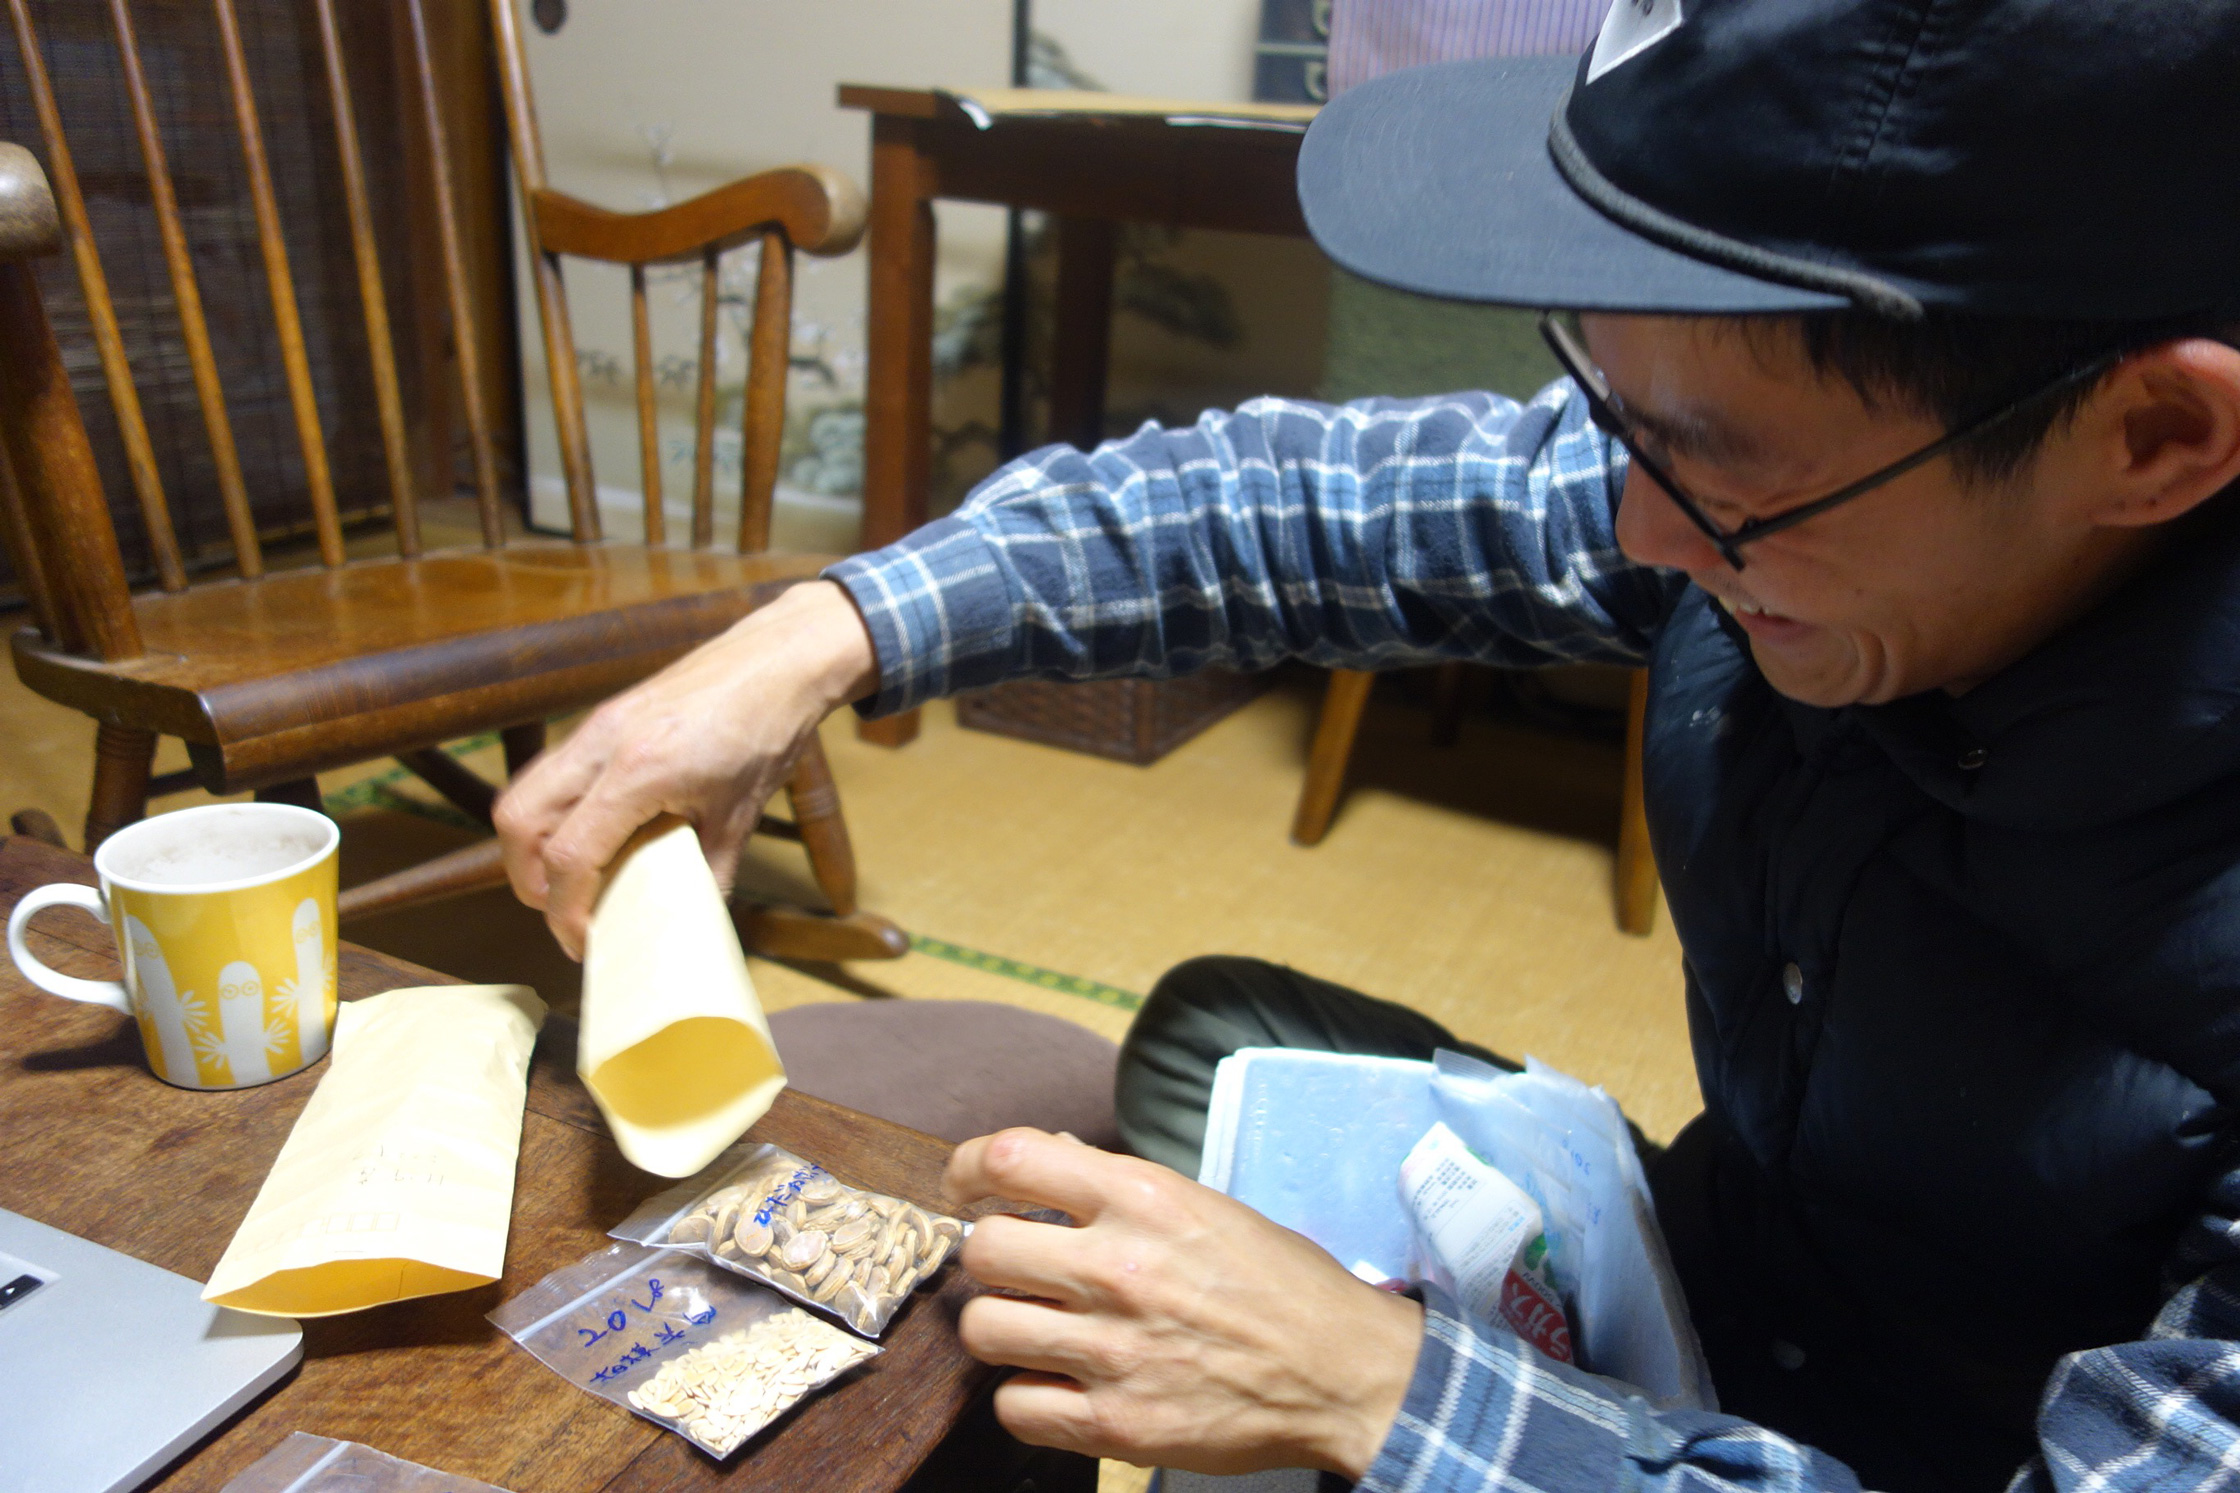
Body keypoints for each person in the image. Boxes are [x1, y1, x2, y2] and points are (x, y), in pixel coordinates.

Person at [494, 1, 2240, 1487]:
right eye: (1614, 412)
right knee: (1215, 1038)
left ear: (2155, 434)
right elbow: (1272, 507)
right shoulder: (1779, 504)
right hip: (1735, 1275)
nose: (1634, 528)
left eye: (1724, 471)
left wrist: (1385, 1390)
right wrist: (813, 636)